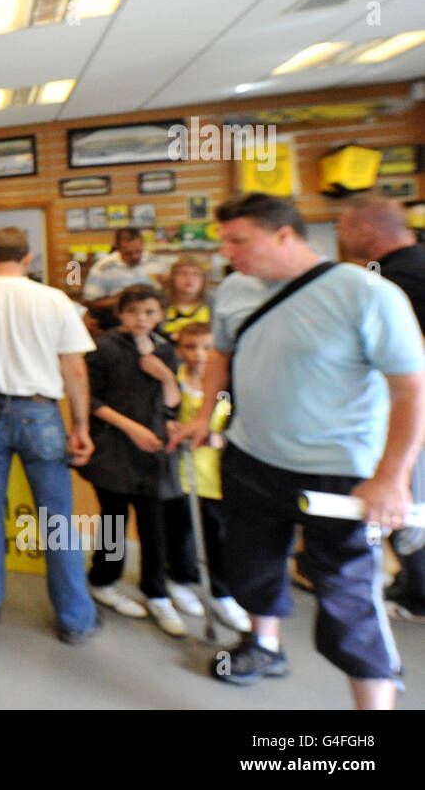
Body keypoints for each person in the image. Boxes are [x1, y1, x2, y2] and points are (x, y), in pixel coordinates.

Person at [173, 192, 425, 710]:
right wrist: (205, 416)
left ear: (285, 235)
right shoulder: (237, 289)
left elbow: (410, 388)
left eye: (239, 240)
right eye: (224, 240)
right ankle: (264, 644)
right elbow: (222, 353)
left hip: (338, 474)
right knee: (253, 566)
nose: (228, 252)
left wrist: (393, 475)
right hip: (249, 458)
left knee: (348, 600)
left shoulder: (367, 293)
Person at [0, 227, 100, 644]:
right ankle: (74, 619)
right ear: (28, 260)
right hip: (40, 414)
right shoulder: (54, 299)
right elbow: (75, 369)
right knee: (57, 518)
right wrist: (80, 427)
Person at [79, 284, 187, 636]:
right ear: (122, 313)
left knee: (154, 523)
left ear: (162, 315)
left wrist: (165, 375)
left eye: (150, 312)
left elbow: (172, 402)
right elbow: (91, 400)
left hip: (154, 449)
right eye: (134, 311)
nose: (142, 319)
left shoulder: (166, 350)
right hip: (114, 447)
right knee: (114, 517)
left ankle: (156, 591)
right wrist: (131, 428)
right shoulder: (103, 347)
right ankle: (103, 580)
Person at [337, 196, 425, 622]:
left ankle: (418, 593)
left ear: (366, 231)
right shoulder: (411, 268)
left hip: (410, 410)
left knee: (405, 499)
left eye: (345, 228)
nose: (341, 236)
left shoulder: (390, 282)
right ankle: (413, 586)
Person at [160, 322, 252, 631]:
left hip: (216, 474)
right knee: (180, 529)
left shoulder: (229, 385)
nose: (199, 355)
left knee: (219, 534)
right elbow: (162, 414)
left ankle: (221, 592)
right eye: (191, 347)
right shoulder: (176, 381)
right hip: (181, 470)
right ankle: (180, 579)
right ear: (180, 350)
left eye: (207, 347)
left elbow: (243, 424)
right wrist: (169, 426)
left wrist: (221, 438)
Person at [82, 228, 165, 329]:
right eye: (128, 253)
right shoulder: (103, 267)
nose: (135, 256)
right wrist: (121, 299)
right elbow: (90, 302)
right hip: (116, 323)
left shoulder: (155, 262)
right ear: (118, 249)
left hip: (152, 322)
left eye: (138, 251)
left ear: (143, 245)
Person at [160, 256, 211, 341]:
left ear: (204, 280)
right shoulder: (160, 303)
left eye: (196, 274)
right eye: (183, 273)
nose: (189, 278)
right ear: (173, 278)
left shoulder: (214, 304)